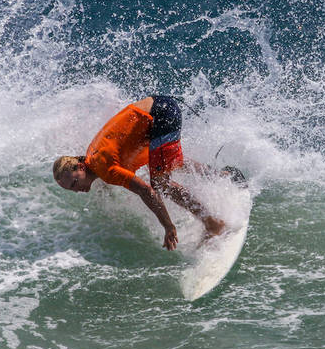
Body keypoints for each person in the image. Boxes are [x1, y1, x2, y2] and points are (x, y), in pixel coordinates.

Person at [52, 95, 225, 250]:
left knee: (160, 184)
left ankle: (212, 224)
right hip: (157, 110)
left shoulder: (105, 168)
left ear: (81, 168)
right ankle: (221, 176)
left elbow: (146, 190)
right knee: (162, 163)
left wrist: (168, 226)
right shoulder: (92, 158)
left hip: (160, 116)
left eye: (74, 183)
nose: (76, 190)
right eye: (71, 188)